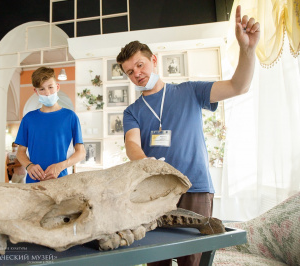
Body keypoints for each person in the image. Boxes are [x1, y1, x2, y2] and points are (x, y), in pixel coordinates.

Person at [116, 6, 259, 266]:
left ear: (154, 60)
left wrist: (247, 50)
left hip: (196, 186)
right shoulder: (132, 112)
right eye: (130, 71)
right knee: (155, 258)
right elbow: (131, 145)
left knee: (191, 260)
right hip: (155, 192)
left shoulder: (190, 91)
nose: (137, 73)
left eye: (140, 64)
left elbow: (239, 86)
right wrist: (150, 164)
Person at [15, 67, 85, 183]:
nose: (47, 93)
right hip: (33, 182)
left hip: (60, 181)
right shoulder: (28, 119)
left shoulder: (70, 117)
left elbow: (81, 152)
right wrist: (29, 166)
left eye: (50, 87)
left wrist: (61, 166)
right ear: (36, 91)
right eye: (41, 89)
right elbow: (20, 152)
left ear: (57, 87)